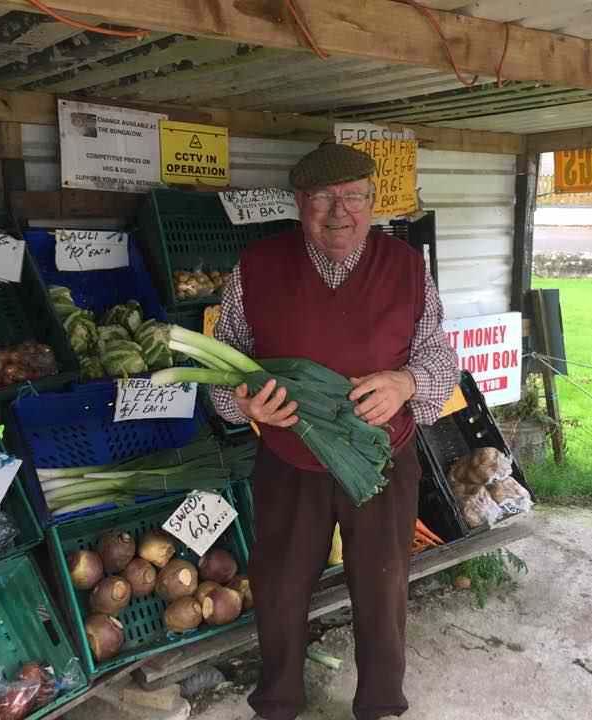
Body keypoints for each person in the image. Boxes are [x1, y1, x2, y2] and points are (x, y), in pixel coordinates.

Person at [210, 140, 459, 720]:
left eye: (352, 197)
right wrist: (244, 405)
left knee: (382, 585)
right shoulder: (256, 268)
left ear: (372, 202)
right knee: (279, 586)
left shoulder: (406, 267)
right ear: (299, 202)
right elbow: (224, 366)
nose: (338, 211)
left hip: (380, 459)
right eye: (323, 197)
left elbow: (441, 359)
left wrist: (405, 384)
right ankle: (277, 701)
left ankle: (380, 704)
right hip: (289, 457)